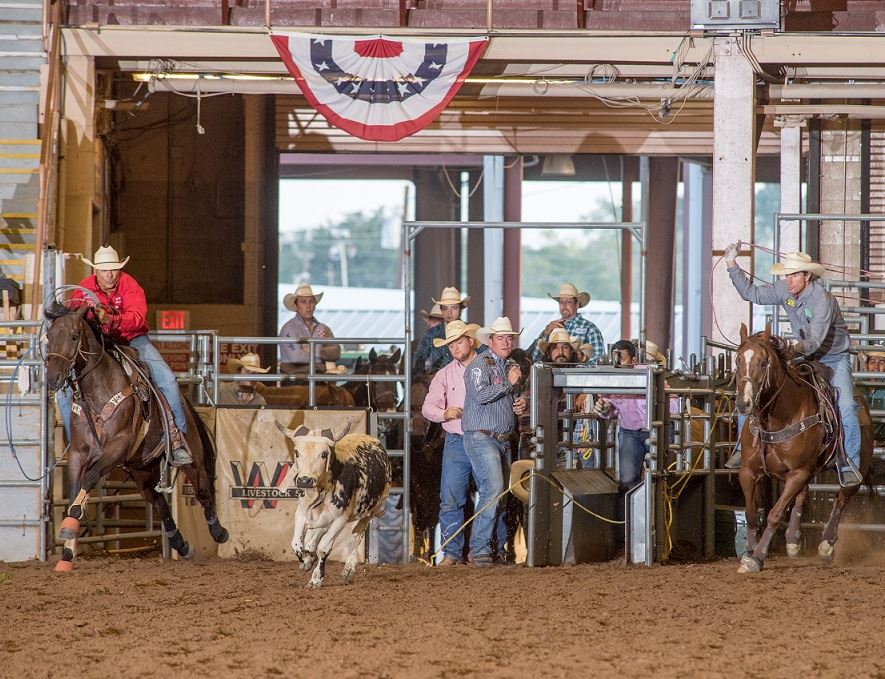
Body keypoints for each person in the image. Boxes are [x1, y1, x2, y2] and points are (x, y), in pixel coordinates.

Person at [725, 246, 863, 486]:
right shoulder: (785, 290)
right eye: (787, 275)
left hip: (832, 357)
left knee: (847, 405)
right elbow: (752, 294)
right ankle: (741, 448)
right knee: (754, 391)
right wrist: (731, 264)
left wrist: (789, 352)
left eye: (794, 275)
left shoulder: (822, 300)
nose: (788, 281)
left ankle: (848, 462)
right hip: (802, 354)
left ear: (807, 276)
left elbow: (814, 342)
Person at [58, 245, 192, 466]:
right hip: (98, 345)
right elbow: (71, 316)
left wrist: (111, 319)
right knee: (64, 394)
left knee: (167, 379)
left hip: (132, 340)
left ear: (119, 269)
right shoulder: (83, 289)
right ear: (96, 271)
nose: (109, 274)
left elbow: (137, 318)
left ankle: (177, 438)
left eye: (113, 269)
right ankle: (76, 442)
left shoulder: (130, 286)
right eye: (104, 270)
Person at [461, 316, 527, 566]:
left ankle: (494, 548)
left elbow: (509, 395)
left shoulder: (508, 365)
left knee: (500, 492)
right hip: (482, 436)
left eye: (509, 338)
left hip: (500, 438)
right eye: (501, 338)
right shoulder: (479, 365)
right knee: (494, 488)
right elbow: (480, 396)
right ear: (490, 341)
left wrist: (519, 403)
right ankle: (480, 549)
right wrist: (509, 385)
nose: (506, 342)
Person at [420, 319, 481, 566]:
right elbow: (427, 408)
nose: (455, 348)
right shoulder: (444, 374)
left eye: (459, 342)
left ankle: (483, 550)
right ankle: (452, 553)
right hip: (457, 439)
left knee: (491, 496)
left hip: (484, 438)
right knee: (451, 498)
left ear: (471, 341)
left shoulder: (487, 367)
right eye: (451, 344)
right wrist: (444, 413)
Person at [594, 339, 677, 492]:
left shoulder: (650, 374)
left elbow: (673, 402)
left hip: (656, 429)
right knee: (628, 481)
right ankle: (629, 506)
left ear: (634, 360)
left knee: (661, 477)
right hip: (629, 431)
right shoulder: (611, 378)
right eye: (614, 358)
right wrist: (604, 409)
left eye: (621, 358)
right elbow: (609, 408)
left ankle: (661, 504)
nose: (617, 363)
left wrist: (658, 406)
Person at [531, 282, 604, 365]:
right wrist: (545, 334)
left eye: (568, 302)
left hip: (579, 373)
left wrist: (578, 368)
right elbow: (534, 358)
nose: (564, 305)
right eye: (561, 302)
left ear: (577, 304)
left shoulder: (590, 328)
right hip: (552, 373)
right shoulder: (551, 328)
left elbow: (599, 360)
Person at [279, 282, 340, 375]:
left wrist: (311, 348)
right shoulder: (288, 328)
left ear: (315, 305)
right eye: (303, 302)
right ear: (295, 306)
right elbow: (296, 358)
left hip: (317, 378)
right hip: (296, 380)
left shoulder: (323, 328)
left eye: (311, 302)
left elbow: (336, 352)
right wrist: (323, 359)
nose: (308, 306)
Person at [413, 286, 470, 375]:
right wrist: (427, 376)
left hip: (465, 379)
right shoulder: (430, 334)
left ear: (461, 310)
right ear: (441, 311)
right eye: (445, 308)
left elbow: (483, 358)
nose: (449, 313)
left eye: (454, 308)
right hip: (436, 379)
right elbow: (418, 361)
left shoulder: (470, 331)